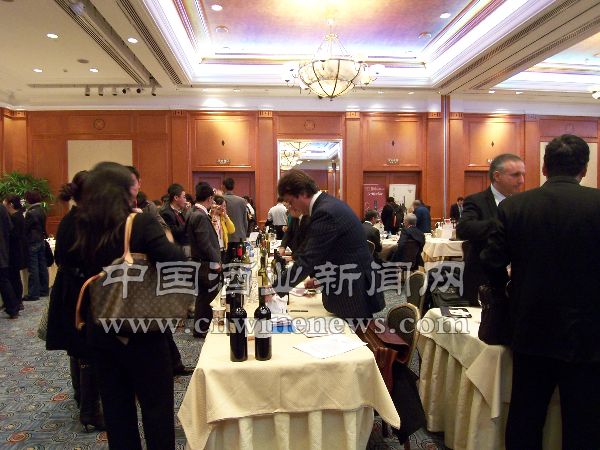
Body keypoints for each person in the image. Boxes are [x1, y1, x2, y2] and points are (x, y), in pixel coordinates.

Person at [481, 135, 600, 449]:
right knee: (585, 420)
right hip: (589, 330)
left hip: (531, 323)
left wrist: (509, 292)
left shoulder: (515, 206)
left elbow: (491, 262)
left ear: (544, 167)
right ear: (584, 169)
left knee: (526, 415)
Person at [74, 162, 185, 450]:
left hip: (101, 329)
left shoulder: (84, 225)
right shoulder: (139, 223)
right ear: (125, 190)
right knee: (156, 409)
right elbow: (175, 261)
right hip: (143, 330)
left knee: (117, 412)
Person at [273, 169, 384, 322]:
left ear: (303, 193)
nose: (290, 207)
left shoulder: (325, 212)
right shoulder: (326, 205)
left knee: (355, 333)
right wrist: (320, 279)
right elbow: (331, 251)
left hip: (353, 291)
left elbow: (308, 259)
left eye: (291, 202)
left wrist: (274, 290)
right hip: (347, 283)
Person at [45, 171, 106, 432]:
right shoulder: (88, 221)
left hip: (69, 287)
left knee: (77, 345)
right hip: (83, 290)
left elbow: (61, 257)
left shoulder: (71, 218)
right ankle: (90, 410)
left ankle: (82, 397)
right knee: (88, 347)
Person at [456, 153, 525, 303]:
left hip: (518, 281)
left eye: (523, 175)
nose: (521, 180)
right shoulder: (476, 200)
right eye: (515, 175)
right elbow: (464, 229)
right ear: (497, 176)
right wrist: (502, 223)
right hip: (484, 278)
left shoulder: (523, 203)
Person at [187, 182, 222, 338]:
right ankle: (201, 329)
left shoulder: (194, 212)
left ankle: (200, 328)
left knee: (204, 295)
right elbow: (205, 243)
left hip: (200, 262)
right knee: (207, 296)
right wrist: (216, 261)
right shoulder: (200, 215)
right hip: (206, 263)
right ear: (209, 198)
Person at [23, 190, 49, 301]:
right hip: (41, 240)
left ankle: (33, 293)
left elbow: (26, 228)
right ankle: (44, 290)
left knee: (33, 268)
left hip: (32, 241)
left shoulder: (31, 213)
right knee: (42, 266)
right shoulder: (42, 210)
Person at [126, 166, 169, 231]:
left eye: (132, 183)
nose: (128, 187)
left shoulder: (149, 206)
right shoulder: (114, 207)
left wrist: (144, 218)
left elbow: (165, 229)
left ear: (139, 183)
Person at [3, 195, 27, 308]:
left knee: (14, 277)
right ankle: (18, 301)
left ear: (11, 204)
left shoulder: (15, 218)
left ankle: (16, 301)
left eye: (5, 203)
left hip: (13, 251)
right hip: (18, 250)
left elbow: (13, 235)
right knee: (15, 277)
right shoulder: (19, 216)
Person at [0, 202, 19, 318]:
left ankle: (12, 308)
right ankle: (13, 308)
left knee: (3, 280)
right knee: (4, 280)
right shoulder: (2, 208)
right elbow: (10, 227)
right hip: (4, 249)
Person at [159, 183, 190, 252]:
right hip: (176, 248)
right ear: (176, 198)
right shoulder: (166, 213)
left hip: (184, 246)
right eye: (184, 197)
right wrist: (189, 219)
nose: (186, 201)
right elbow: (175, 233)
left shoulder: (179, 211)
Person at [210, 194, 235, 262]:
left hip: (223, 248)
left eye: (225, 206)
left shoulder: (223, 218)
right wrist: (213, 215)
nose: (224, 208)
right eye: (222, 206)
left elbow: (232, 230)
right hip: (214, 249)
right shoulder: (210, 216)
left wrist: (226, 216)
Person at [222, 177, 248, 244]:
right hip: (240, 236)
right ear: (233, 186)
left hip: (225, 237)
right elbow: (245, 221)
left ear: (223, 186)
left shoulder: (220, 200)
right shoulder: (242, 201)